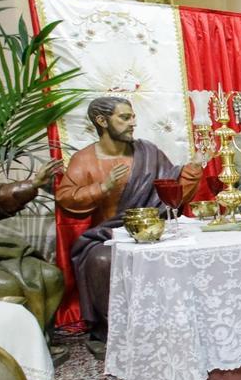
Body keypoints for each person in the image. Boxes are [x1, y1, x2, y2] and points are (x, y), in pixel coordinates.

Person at [55, 96, 203, 358]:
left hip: (152, 230)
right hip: (108, 234)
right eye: (125, 117)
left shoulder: (148, 152)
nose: (133, 122)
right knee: (101, 259)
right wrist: (102, 188)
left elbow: (173, 194)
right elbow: (66, 197)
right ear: (102, 121)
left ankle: (175, 324)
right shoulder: (85, 159)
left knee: (189, 244)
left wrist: (192, 170)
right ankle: (110, 331)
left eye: (133, 116)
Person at [0, 160, 65, 334]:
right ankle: (7, 349)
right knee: (5, 286)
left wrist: (33, 184)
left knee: (50, 276)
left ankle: (38, 342)